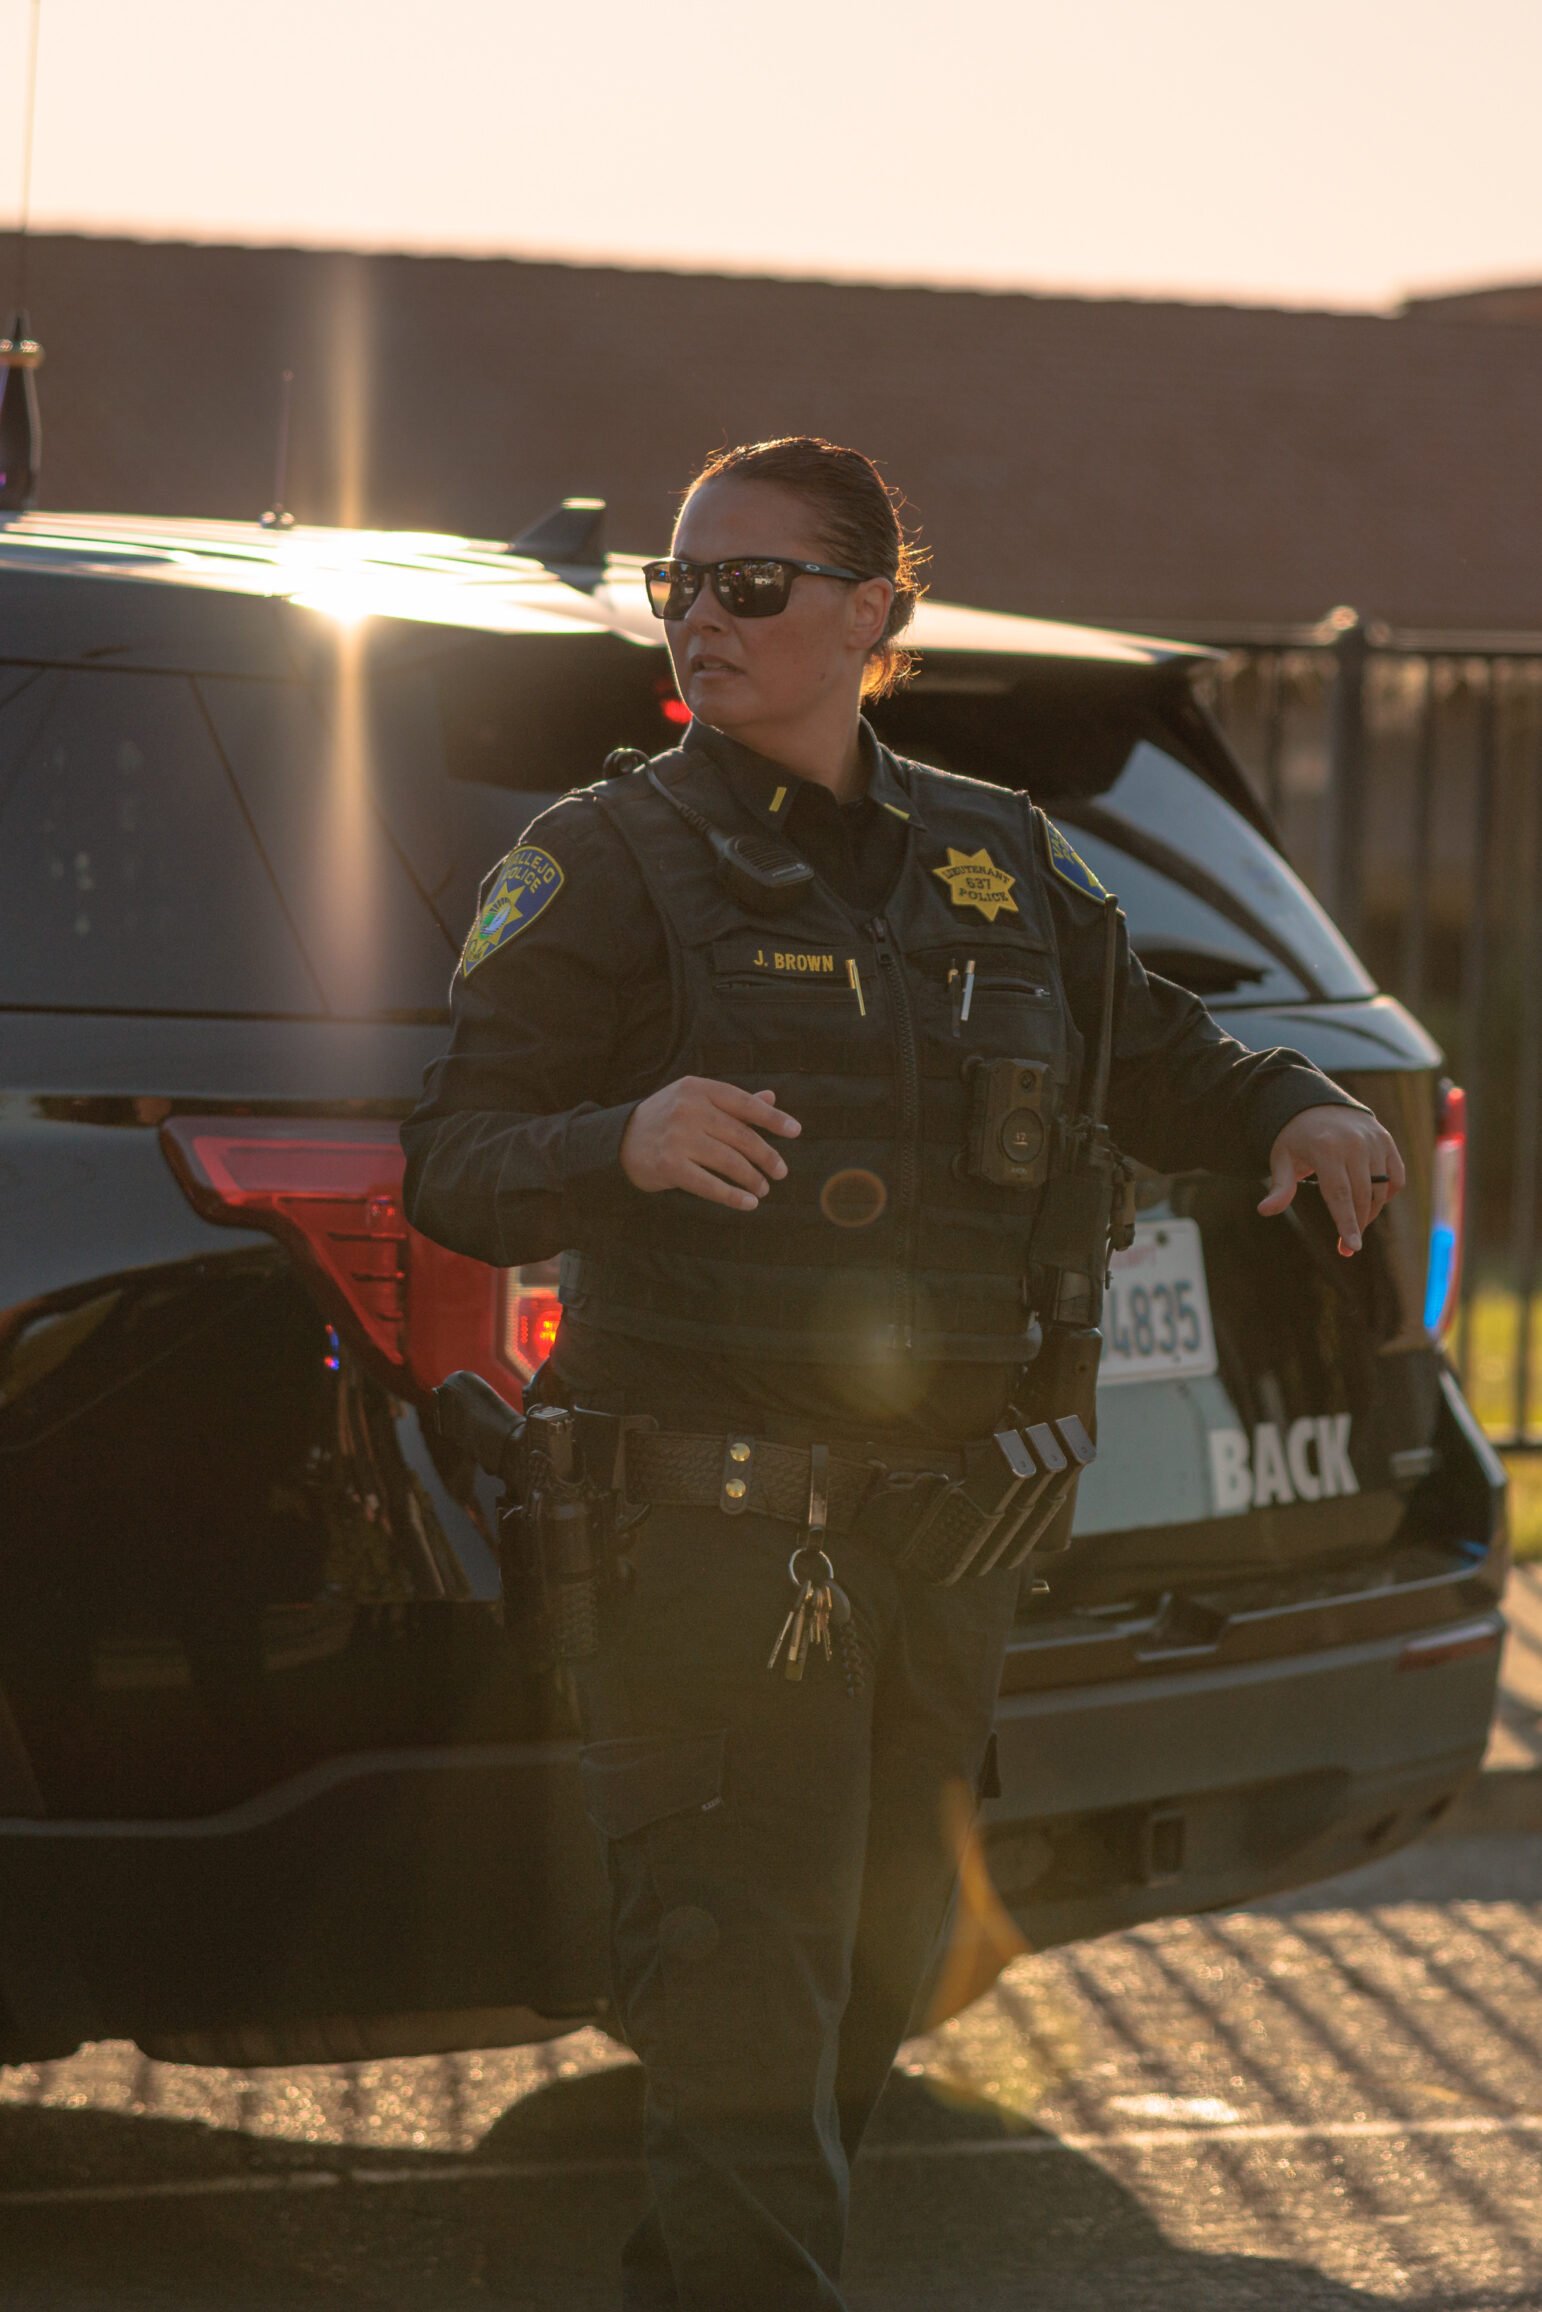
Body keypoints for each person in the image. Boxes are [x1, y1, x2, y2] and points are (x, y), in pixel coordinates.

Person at [401, 435, 1405, 2310]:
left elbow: (1160, 1042)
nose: (701, 616)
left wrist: (1294, 1097)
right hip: (710, 1548)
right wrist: (613, 1138)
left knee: (874, 1972)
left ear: (876, 611)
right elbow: (451, 1160)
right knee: (739, 1999)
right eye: (678, 586)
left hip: (944, 1549)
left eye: (751, 585)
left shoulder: (996, 852)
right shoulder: (599, 859)